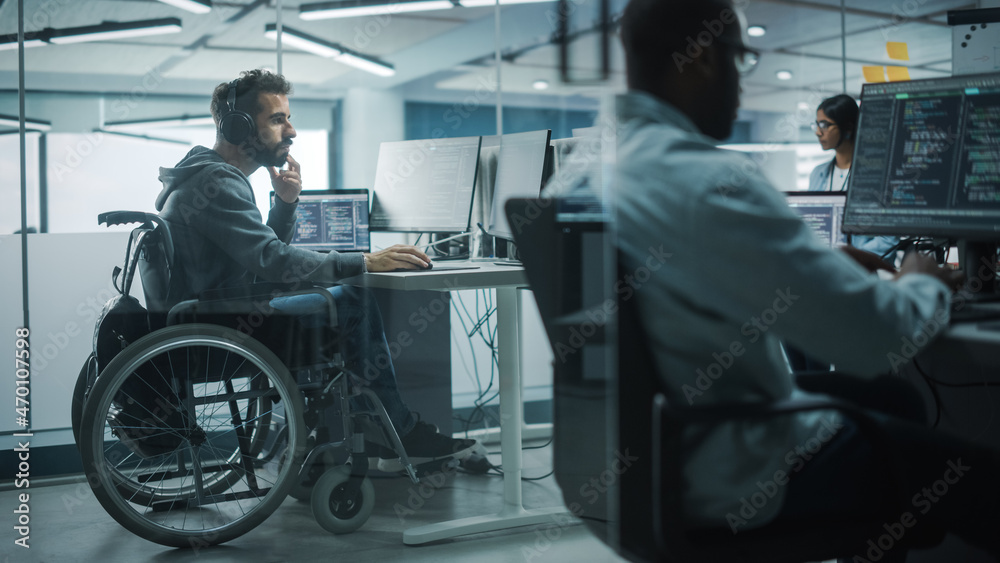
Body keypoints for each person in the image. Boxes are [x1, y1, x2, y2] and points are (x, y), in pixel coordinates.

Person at [614, 0, 1000, 560]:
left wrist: (820, 276)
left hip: (644, 453)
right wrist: (921, 280)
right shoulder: (708, 180)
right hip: (735, 469)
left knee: (892, 397)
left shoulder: (595, 173)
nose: (741, 86)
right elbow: (873, 340)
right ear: (699, 57)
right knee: (977, 477)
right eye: (740, 60)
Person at [154, 69, 475, 471]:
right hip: (223, 327)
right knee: (353, 300)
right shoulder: (218, 182)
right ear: (238, 126)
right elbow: (271, 261)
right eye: (277, 119)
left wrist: (285, 204)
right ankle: (396, 428)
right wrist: (363, 261)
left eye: (287, 118)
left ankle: (357, 431)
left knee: (334, 298)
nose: (291, 131)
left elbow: (258, 259)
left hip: (213, 315)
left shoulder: (205, 175)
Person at [809, 94, 896, 257]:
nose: (818, 132)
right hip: (825, 265)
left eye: (824, 125)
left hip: (863, 270)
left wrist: (854, 259)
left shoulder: (877, 175)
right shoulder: (818, 174)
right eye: (817, 124)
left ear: (848, 128)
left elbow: (888, 239)